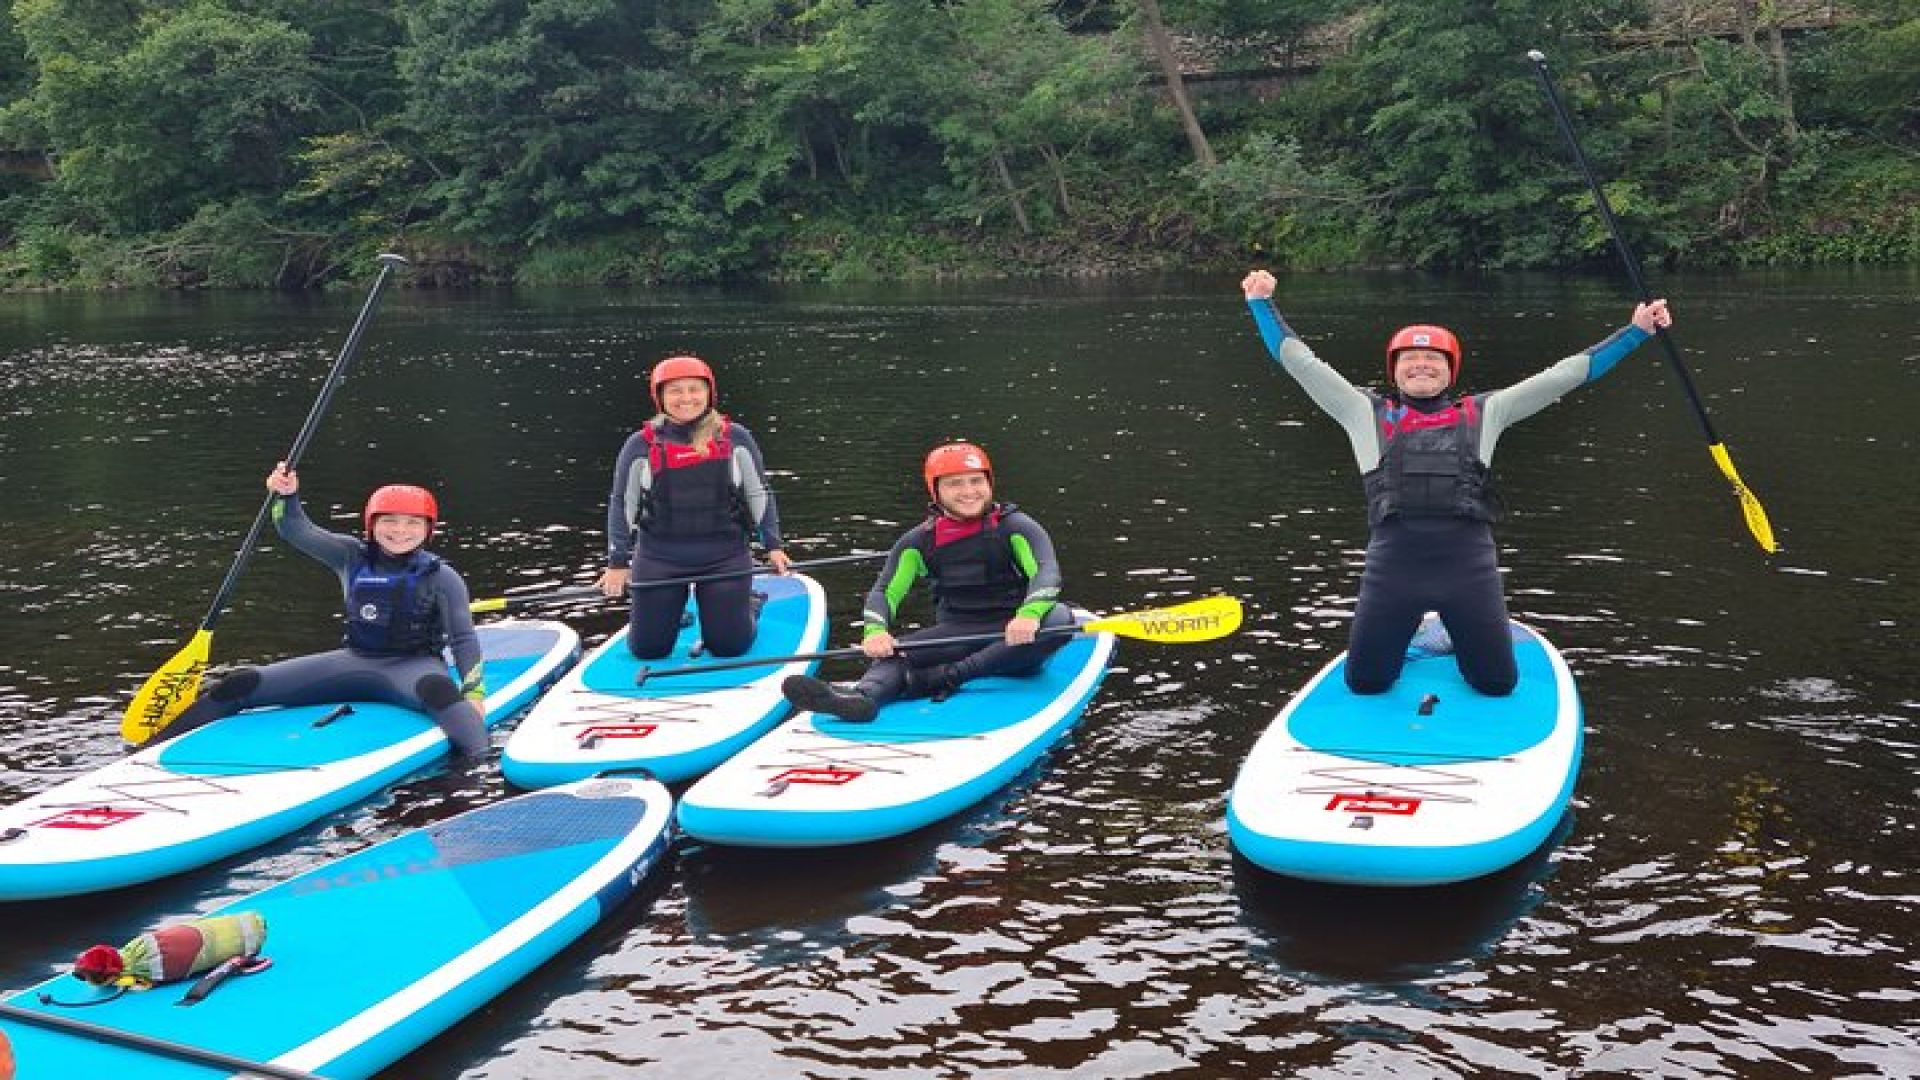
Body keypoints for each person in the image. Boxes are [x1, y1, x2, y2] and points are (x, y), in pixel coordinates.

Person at [1240, 269, 1673, 696]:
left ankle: (1448, 635)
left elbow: (1565, 374)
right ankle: (1421, 638)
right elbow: (1300, 362)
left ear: (1451, 371)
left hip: (1468, 568)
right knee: (1367, 684)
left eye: (1433, 359)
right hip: (1393, 568)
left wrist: (1635, 332)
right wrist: (1262, 302)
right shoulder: (1361, 411)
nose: (1421, 365)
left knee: (1496, 685)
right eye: (1409, 358)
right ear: (1395, 373)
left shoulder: (1487, 412)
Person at [162, 466, 490, 756]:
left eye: (412, 523)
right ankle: (147, 752)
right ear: (371, 524)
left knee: (446, 699)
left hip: (415, 669)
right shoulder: (350, 555)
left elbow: (462, 638)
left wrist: (474, 692)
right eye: (389, 521)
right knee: (239, 684)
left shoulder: (442, 577)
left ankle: (477, 769)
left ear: (427, 529)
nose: (400, 531)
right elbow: (295, 530)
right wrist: (286, 497)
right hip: (354, 660)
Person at [781, 441, 1076, 722]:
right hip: (958, 634)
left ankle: (945, 677)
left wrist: (1029, 615)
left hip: (1018, 639)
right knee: (897, 653)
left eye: (976, 481)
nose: (969, 491)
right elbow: (884, 591)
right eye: (954, 483)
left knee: (1061, 620)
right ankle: (863, 698)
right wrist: (875, 632)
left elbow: (1046, 572)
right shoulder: (919, 542)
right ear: (935, 491)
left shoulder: (1016, 527)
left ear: (989, 484)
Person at [595, 355, 792, 659]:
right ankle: (668, 615)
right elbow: (622, 503)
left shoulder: (736, 437)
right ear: (660, 397)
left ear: (708, 393)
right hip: (659, 557)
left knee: (729, 647)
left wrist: (774, 546)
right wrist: (617, 562)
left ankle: (749, 604)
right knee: (648, 651)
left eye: (694, 389)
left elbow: (758, 492)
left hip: (724, 556)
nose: (686, 398)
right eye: (675, 391)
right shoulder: (640, 444)